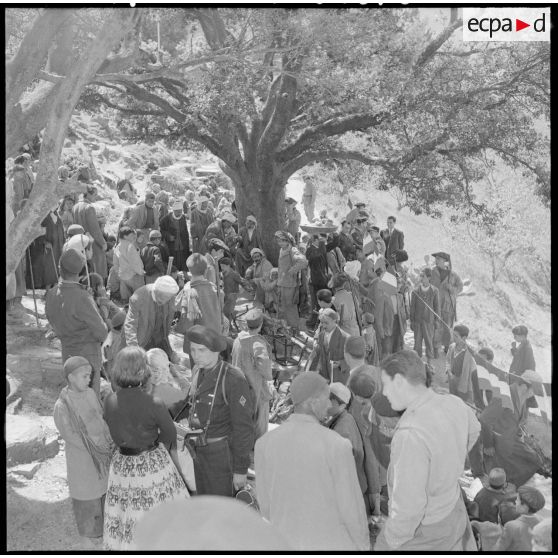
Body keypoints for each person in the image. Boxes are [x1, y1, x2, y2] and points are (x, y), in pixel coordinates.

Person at [374, 350, 480, 551]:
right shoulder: (454, 402)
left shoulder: (409, 434)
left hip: (427, 527)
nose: (385, 393)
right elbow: (475, 429)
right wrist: (451, 462)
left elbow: (408, 507)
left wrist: (390, 541)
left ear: (399, 382)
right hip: (452, 505)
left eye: (386, 385)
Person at [255, 372, 369, 551]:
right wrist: (362, 546)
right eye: (326, 398)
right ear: (313, 402)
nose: (329, 404)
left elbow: (266, 506)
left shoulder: (264, 444)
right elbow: (351, 508)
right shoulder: (337, 445)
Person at [103, 347, 189, 550]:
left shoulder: (109, 400)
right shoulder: (153, 402)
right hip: (152, 465)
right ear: (143, 371)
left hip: (122, 465)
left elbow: (113, 429)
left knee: (125, 513)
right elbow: (169, 435)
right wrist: (153, 439)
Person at [170, 326, 254, 497]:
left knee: (222, 508)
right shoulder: (197, 371)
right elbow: (190, 404)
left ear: (216, 351)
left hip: (221, 455)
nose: (195, 355)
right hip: (198, 452)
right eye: (192, 350)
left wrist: (240, 469)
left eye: (201, 350)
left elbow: (244, 428)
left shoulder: (232, 378)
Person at [53, 356, 113, 540]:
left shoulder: (90, 393)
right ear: (71, 377)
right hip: (82, 459)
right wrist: (95, 443)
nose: (89, 380)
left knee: (103, 491)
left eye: (90, 376)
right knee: (87, 496)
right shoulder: (62, 406)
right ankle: (89, 536)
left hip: (101, 454)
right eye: (85, 376)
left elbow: (101, 416)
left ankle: (103, 528)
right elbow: (70, 435)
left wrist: (107, 436)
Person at [45, 249, 108, 396]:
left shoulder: (52, 293)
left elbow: (51, 320)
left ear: (60, 268)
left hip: (67, 354)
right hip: (87, 358)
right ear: (80, 272)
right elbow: (102, 333)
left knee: (74, 399)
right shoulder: (82, 297)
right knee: (90, 402)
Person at [477, 369, 543, 487]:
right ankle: (505, 487)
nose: (533, 395)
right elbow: (484, 419)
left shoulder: (523, 397)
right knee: (511, 469)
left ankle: (510, 486)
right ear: (523, 386)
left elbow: (517, 419)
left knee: (535, 461)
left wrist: (521, 435)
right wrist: (488, 445)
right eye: (533, 391)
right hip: (498, 443)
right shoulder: (505, 396)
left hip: (512, 439)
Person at [231, 308, 273, 440]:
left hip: (238, 386)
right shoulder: (257, 343)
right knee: (259, 421)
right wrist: (270, 379)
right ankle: (257, 448)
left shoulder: (238, 340)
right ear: (261, 325)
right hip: (255, 388)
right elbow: (265, 370)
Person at [327, 383, 367, 498]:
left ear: (341, 404)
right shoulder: (345, 418)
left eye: (329, 400)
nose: (324, 403)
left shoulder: (342, 428)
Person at [123, 275, 179, 358]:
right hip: (142, 340)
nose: (166, 301)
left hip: (160, 338)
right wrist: (134, 348)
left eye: (169, 298)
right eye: (164, 298)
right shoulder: (138, 298)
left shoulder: (169, 296)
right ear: (156, 291)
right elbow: (130, 325)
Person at [180, 254, 223, 357]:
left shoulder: (190, 292)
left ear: (189, 271)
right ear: (205, 270)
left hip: (198, 344)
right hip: (214, 339)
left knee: (197, 372)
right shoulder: (215, 289)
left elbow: (186, 325)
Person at [430, 251, 463, 355]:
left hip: (448, 307)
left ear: (445, 262)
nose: (436, 261)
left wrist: (452, 289)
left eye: (439, 259)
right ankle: (434, 346)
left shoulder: (453, 275)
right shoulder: (432, 272)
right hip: (435, 304)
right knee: (435, 326)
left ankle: (447, 347)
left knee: (447, 328)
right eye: (436, 259)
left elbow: (460, 287)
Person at [493, 485, 545, 551]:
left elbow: (498, 549)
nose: (515, 502)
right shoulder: (542, 521)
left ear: (525, 506)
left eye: (517, 500)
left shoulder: (511, 525)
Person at [26, 206, 65, 291]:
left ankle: (55, 290)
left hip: (58, 247)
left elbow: (62, 231)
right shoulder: (44, 217)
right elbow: (38, 232)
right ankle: (48, 290)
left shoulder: (58, 217)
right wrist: (44, 241)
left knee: (57, 268)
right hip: (48, 249)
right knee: (49, 269)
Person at [72, 185, 108, 279]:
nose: (95, 197)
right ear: (88, 194)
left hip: (80, 241)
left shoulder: (75, 206)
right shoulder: (89, 207)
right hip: (92, 243)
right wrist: (103, 243)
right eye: (94, 194)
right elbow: (94, 229)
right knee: (97, 269)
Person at [307, 308, 350, 384]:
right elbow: (317, 355)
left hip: (338, 377)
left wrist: (341, 363)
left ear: (334, 321)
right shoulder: (321, 335)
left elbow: (352, 358)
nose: (323, 325)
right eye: (322, 323)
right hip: (325, 375)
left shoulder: (345, 338)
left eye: (326, 323)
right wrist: (309, 371)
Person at [275, 230, 307, 330]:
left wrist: (291, 272)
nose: (280, 243)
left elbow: (303, 262)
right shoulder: (282, 250)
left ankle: (294, 327)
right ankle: (286, 326)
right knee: (283, 306)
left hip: (290, 284)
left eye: (282, 241)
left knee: (290, 307)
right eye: (279, 241)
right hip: (282, 282)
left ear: (287, 241)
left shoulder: (293, 250)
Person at [446, 323, 482, 408]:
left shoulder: (470, 352)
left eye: (456, 336)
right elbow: (447, 360)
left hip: (464, 381)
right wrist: (448, 371)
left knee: (463, 402)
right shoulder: (451, 347)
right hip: (452, 378)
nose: (453, 338)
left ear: (464, 338)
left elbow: (476, 365)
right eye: (453, 335)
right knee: (452, 398)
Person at [410, 267, 440, 362]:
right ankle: (417, 363)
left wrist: (437, 321)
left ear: (429, 278)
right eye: (421, 276)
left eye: (423, 276)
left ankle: (429, 363)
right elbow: (412, 308)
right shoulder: (415, 291)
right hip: (418, 322)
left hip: (429, 323)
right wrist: (412, 321)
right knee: (417, 343)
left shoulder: (435, 291)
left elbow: (437, 308)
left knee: (429, 343)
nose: (421, 278)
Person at [305, 233, 330, 330]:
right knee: (316, 302)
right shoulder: (310, 250)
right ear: (315, 240)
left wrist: (335, 235)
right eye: (320, 240)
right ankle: (314, 322)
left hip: (322, 279)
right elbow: (315, 256)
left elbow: (333, 244)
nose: (323, 241)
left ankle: (319, 322)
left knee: (321, 302)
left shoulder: (321, 248)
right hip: (315, 281)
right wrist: (323, 243)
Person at [114, 226, 145, 302]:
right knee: (139, 299)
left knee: (126, 301)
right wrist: (141, 272)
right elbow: (134, 262)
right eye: (131, 236)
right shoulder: (130, 246)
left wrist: (119, 274)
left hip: (123, 277)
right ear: (125, 236)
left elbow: (116, 263)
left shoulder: (117, 247)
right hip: (134, 276)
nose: (133, 237)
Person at [160, 201, 191, 273]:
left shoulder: (182, 217)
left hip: (182, 244)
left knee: (183, 261)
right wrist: (168, 236)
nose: (179, 213)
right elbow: (161, 230)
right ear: (174, 211)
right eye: (177, 212)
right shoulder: (166, 219)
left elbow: (185, 231)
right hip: (172, 245)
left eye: (180, 211)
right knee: (173, 262)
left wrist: (187, 243)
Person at [101, 311, 126, 384]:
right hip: (115, 375)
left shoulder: (120, 335)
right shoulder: (111, 339)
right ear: (122, 326)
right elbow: (107, 361)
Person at [220, 257, 245, 324]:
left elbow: (242, 282)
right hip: (225, 295)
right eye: (221, 266)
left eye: (223, 266)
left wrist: (240, 291)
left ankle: (229, 328)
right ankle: (227, 327)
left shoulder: (234, 274)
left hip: (232, 296)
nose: (221, 267)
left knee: (228, 313)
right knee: (225, 312)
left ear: (228, 265)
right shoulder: (223, 273)